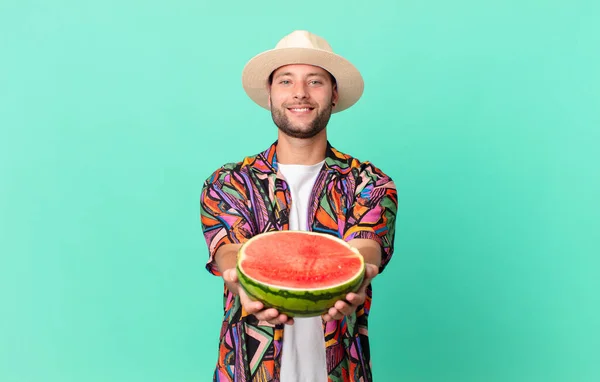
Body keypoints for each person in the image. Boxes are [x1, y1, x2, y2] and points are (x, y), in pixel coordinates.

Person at [200, 30, 398, 382]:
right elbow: (229, 251)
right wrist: (239, 281)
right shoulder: (228, 182)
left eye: (315, 81)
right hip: (247, 372)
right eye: (286, 81)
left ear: (334, 94)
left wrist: (360, 274)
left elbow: (366, 247)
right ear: (271, 93)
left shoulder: (370, 182)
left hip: (343, 371)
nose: (300, 93)